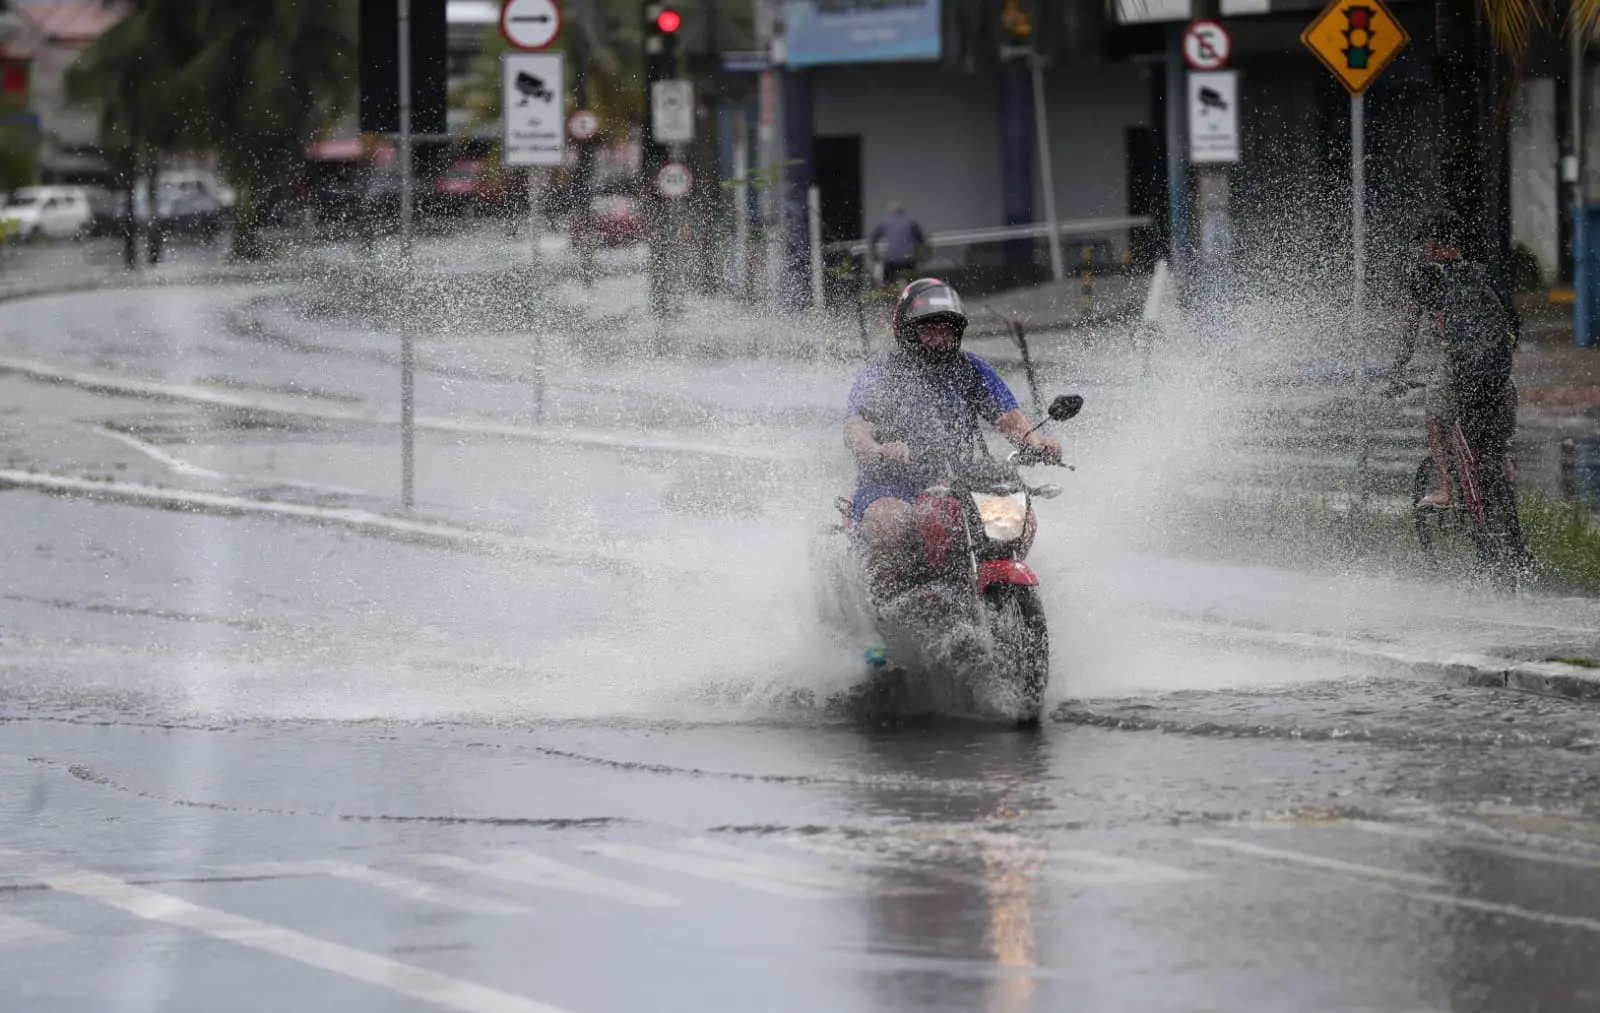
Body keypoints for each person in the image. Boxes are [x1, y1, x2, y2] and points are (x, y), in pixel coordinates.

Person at [844, 278, 1062, 601]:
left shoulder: (972, 371)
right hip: (891, 486)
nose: (938, 338)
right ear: (906, 330)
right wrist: (878, 450)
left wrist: (1036, 441)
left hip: (959, 482)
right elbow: (855, 429)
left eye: (946, 329)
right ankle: (882, 618)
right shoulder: (883, 377)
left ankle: (997, 594)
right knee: (893, 526)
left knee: (1022, 521)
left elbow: (1010, 419)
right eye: (928, 329)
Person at [1388, 209, 1529, 577]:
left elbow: (1408, 330)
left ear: (1435, 242)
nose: (1423, 250)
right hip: (1500, 376)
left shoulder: (1425, 276)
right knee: (1493, 451)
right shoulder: (1484, 273)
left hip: (1463, 373)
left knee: (1436, 415)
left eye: (1425, 243)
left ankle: (1448, 490)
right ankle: (1506, 488)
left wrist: (1397, 373)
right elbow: (1513, 324)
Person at [868, 200, 928, 292]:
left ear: (890, 212)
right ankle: (914, 297)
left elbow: (873, 239)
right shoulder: (911, 222)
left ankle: (887, 300)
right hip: (907, 259)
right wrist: (922, 257)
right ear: (903, 211)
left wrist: (874, 254)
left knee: (887, 285)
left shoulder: (884, 222)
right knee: (913, 284)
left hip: (891, 259)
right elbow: (921, 241)